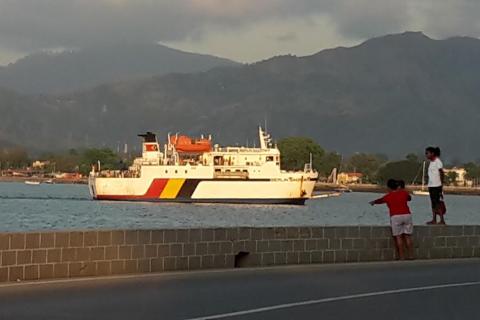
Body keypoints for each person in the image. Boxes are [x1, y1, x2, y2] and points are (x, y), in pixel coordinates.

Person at [370, 179, 414, 260]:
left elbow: (380, 200)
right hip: (407, 215)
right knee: (408, 236)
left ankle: (401, 256)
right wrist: (403, 190)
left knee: (398, 237)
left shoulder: (388, 196)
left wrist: (373, 202)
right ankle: (411, 255)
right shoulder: (403, 193)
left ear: (389, 187)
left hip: (395, 216)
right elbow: (409, 198)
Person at [425, 146, 446, 225]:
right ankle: (434, 219)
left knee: (437, 203)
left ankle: (442, 219)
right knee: (433, 203)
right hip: (431, 185)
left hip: (436, 185)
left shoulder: (438, 162)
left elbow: (441, 173)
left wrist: (441, 185)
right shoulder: (431, 162)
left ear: (432, 153)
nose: (426, 155)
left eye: (427, 153)